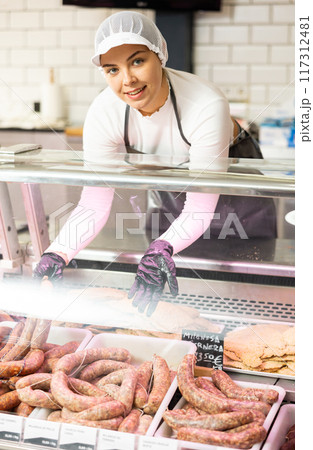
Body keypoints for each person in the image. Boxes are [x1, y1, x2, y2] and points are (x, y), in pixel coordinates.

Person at [33, 11, 275, 316]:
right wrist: (58, 252)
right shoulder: (104, 113)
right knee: (176, 306)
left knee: (246, 298)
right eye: (112, 69)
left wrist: (162, 248)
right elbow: (94, 202)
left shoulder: (205, 104)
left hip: (239, 209)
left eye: (137, 61)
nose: (127, 80)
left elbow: (200, 208)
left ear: (159, 53)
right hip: (176, 204)